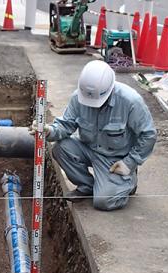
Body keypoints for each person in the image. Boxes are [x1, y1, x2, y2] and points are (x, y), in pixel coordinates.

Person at [38, 61, 157, 211]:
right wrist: (49, 130)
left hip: (115, 160)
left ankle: (128, 182)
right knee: (61, 148)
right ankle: (87, 186)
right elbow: (66, 125)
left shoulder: (130, 101)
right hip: (89, 149)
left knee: (104, 202)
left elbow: (148, 135)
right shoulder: (79, 97)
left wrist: (129, 163)